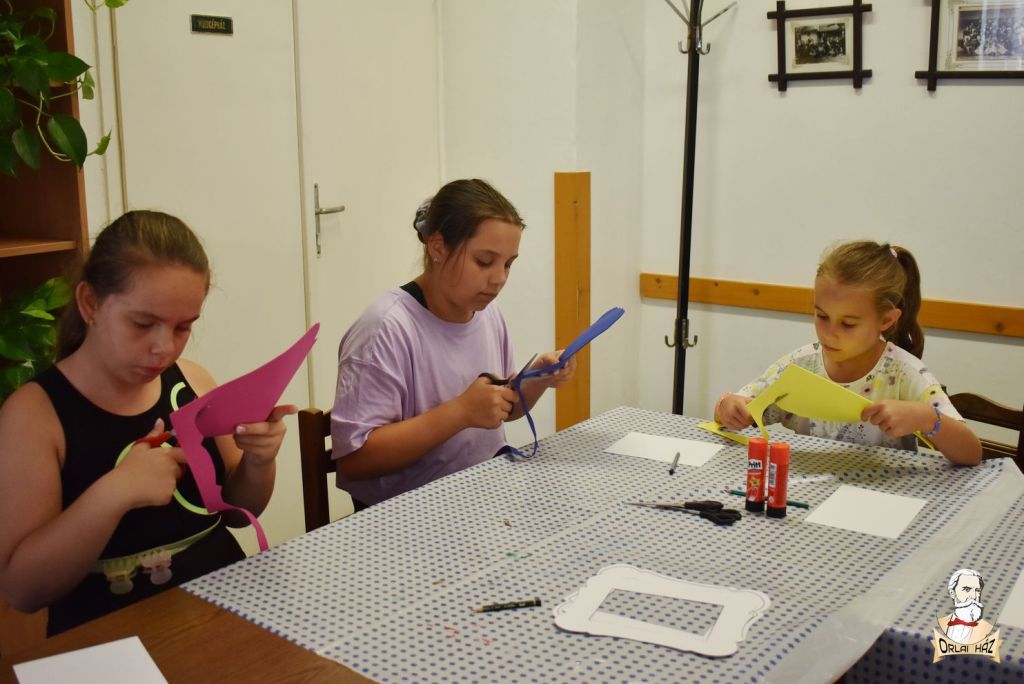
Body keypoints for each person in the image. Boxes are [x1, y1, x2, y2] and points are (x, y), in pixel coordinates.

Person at [0, 210, 295, 635]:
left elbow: (239, 513)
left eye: (183, 328)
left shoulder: (192, 380)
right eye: (142, 324)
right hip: (108, 632)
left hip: (222, 612)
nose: (164, 348)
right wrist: (115, 492)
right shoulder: (34, 415)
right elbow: (24, 590)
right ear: (90, 303)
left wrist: (259, 461)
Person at [331, 178, 577, 508]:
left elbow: (499, 409)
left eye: (508, 264)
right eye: (484, 261)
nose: (499, 279)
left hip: (479, 495)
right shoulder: (385, 328)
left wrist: (536, 378)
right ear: (437, 248)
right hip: (405, 514)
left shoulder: (487, 313)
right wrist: (460, 412)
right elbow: (355, 461)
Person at [715, 240, 981, 466]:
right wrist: (729, 409)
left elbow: (971, 454)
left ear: (886, 320)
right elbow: (737, 409)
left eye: (848, 324)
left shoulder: (905, 374)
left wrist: (927, 418)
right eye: (822, 316)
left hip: (882, 499)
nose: (830, 333)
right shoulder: (800, 364)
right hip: (804, 493)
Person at [938, 568, 993, 645]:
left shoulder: (987, 629)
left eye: (977, 590)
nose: (974, 596)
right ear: (952, 593)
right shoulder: (941, 622)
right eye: (967, 589)